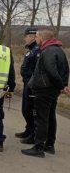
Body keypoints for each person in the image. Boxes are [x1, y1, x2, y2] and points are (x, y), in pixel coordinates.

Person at [21, 29, 69, 158]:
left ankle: (38, 147)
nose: (35, 39)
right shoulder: (59, 50)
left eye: (36, 37)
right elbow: (65, 70)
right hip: (52, 90)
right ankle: (49, 145)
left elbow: (51, 71)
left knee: (41, 118)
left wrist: (62, 86)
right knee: (50, 117)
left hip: (44, 89)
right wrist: (63, 85)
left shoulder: (48, 51)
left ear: (42, 37)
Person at [15, 27, 40, 144]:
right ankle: (28, 130)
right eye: (27, 36)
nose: (26, 39)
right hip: (27, 83)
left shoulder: (37, 50)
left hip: (32, 85)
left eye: (29, 36)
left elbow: (37, 70)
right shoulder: (31, 49)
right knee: (26, 109)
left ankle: (33, 135)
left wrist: (32, 83)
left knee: (30, 110)